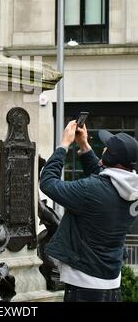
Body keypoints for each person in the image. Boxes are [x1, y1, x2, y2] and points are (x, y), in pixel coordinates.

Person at [40, 120, 138, 302]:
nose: (103, 149)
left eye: (107, 148)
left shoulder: (92, 190)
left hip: (84, 286)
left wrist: (63, 145)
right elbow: (106, 181)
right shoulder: (132, 190)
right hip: (111, 285)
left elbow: (48, 183)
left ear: (112, 158)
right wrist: (84, 145)